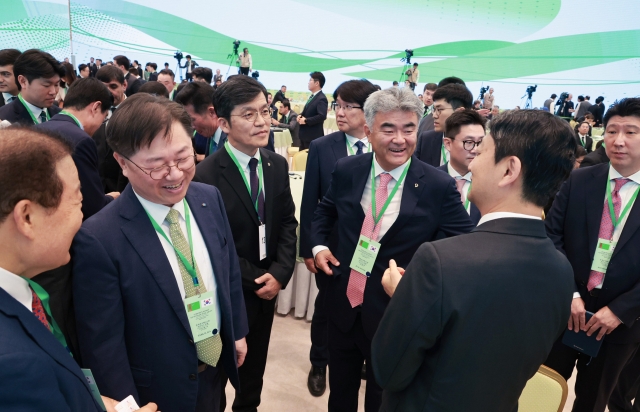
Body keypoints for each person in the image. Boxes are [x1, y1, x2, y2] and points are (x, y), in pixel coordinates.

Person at [372, 109, 576, 411]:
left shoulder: (440, 261)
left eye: (481, 151)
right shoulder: (562, 270)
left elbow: (387, 369)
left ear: (509, 170)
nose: (472, 163)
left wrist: (405, 297)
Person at [72, 93, 249, 412]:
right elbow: (103, 346)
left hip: (214, 376)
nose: (175, 174)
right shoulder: (99, 238)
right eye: (156, 166)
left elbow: (228, 270)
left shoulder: (209, 198)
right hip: (155, 393)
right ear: (122, 163)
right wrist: (128, 406)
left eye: (183, 158)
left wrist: (236, 331)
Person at [310, 87, 475, 412]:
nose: (400, 139)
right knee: (339, 395)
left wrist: (422, 278)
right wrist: (317, 246)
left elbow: (466, 245)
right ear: (369, 131)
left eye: (409, 128)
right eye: (388, 129)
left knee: (383, 400)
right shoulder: (348, 169)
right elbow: (325, 211)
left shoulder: (437, 185)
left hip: (395, 314)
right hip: (343, 304)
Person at [0, 126, 159, 412]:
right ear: (27, 217)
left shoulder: (27, 289)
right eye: (77, 200)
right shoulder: (12, 366)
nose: (83, 214)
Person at [193, 75, 297, 412]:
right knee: (218, 378)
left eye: (265, 111)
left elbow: (287, 225)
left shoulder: (276, 164)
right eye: (248, 114)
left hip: (268, 290)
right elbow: (212, 245)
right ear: (223, 123)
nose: (261, 122)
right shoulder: (206, 175)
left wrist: (280, 273)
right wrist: (255, 279)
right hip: (230, 293)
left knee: (254, 378)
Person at [545, 98, 640, 412]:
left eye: (631, 132)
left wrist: (620, 310)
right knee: (543, 390)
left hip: (620, 324)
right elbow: (551, 237)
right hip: (566, 312)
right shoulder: (580, 180)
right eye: (612, 131)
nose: (618, 140)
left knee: (592, 401)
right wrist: (569, 292)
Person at [299, 79, 378, 397]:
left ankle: (355, 355)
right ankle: (320, 362)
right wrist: (310, 247)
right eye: (338, 105)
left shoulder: (382, 145)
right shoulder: (323, 146)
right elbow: (310, 203)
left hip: (372, 248)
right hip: (331, 249)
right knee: (327, 306)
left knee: (365, 307)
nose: (340, 112)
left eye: (348, 106)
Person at [37, 78, 118, 219]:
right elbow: (93, 206)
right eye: (103, 118)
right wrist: (111, 198)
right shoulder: (81, 141)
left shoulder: (36, 129)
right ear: (96, 107)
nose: (100, 125)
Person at [436, 109, 485, 225]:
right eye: (469, 142)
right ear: (448, 144)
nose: (476, 149)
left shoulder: (491, 184)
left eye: (481, 142)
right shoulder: (430, 180)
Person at [415, 83, 473, 167]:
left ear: (459, 112)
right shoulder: (426, 140)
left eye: (440, 109)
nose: (434, 115)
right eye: (434, 109)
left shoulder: (478, 147)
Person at [0, 49, 64, 124]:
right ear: (23, 81)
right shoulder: (4, 118)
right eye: (46, 85)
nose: (53, 92)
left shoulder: (62, 116)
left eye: (56, 84)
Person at [93, 65, 129, 193]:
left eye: (113, 86)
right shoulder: (92, 111)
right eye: (103, 87)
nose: (108, 92)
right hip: (98, 188)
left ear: (124, 85)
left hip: (126, 188)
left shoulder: (136, 112)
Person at [175, 81, 224, 160]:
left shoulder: (233, 142)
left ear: (212, 112)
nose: (191, 126)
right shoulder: (211, 134)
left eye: (192, 119)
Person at [298, 71, 328, 149]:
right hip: (304, 136)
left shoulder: (321, 98)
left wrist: (306, 120)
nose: (308, 83)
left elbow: (322, 116)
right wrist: (300, 115)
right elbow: (309, 111)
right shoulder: (313, 96)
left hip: (312, 137)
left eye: (310, 80)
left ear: (317, 83)